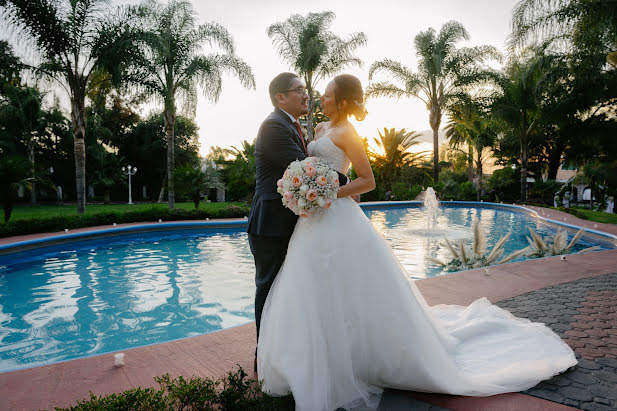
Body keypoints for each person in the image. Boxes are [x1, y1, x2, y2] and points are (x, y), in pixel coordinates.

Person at [256, 74, 577, 411]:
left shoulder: (349, 133)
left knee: (350, 290)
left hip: (336, 216)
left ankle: (357, 361)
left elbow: (368, 181)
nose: (321, 99)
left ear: (344, 101)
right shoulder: (319, 130)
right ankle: (311, 359)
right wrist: (312, 193)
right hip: (312, 222)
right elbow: (306, 167)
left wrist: (329, 192)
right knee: (310, 289)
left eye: (327, 95)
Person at [247, 73, 349, 372]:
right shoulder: (274, 126)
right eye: (299, 90)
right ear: (280, 97)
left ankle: (285, 352)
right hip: (270, 223)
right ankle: (263, 357)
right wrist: (351, 182)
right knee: (268, 287)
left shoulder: (290, 124)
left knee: (286, 290)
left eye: (306, 90)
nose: (307, 95)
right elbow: (307, 167)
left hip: (289, 222)